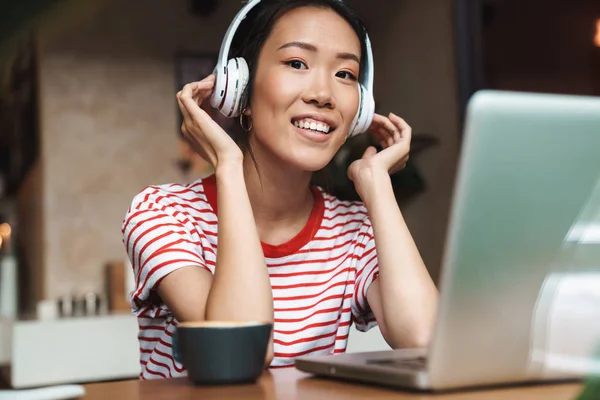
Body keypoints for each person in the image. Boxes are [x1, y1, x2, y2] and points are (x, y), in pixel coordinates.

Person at [122, 0, 438, 380]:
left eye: (345, 73)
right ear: (239, 89)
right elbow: (242, 351)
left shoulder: (354, 229)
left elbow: (425, 340)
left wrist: (376, 184)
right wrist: (228, 164)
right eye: (297, 63)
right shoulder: (163, 213)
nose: (323, 94)